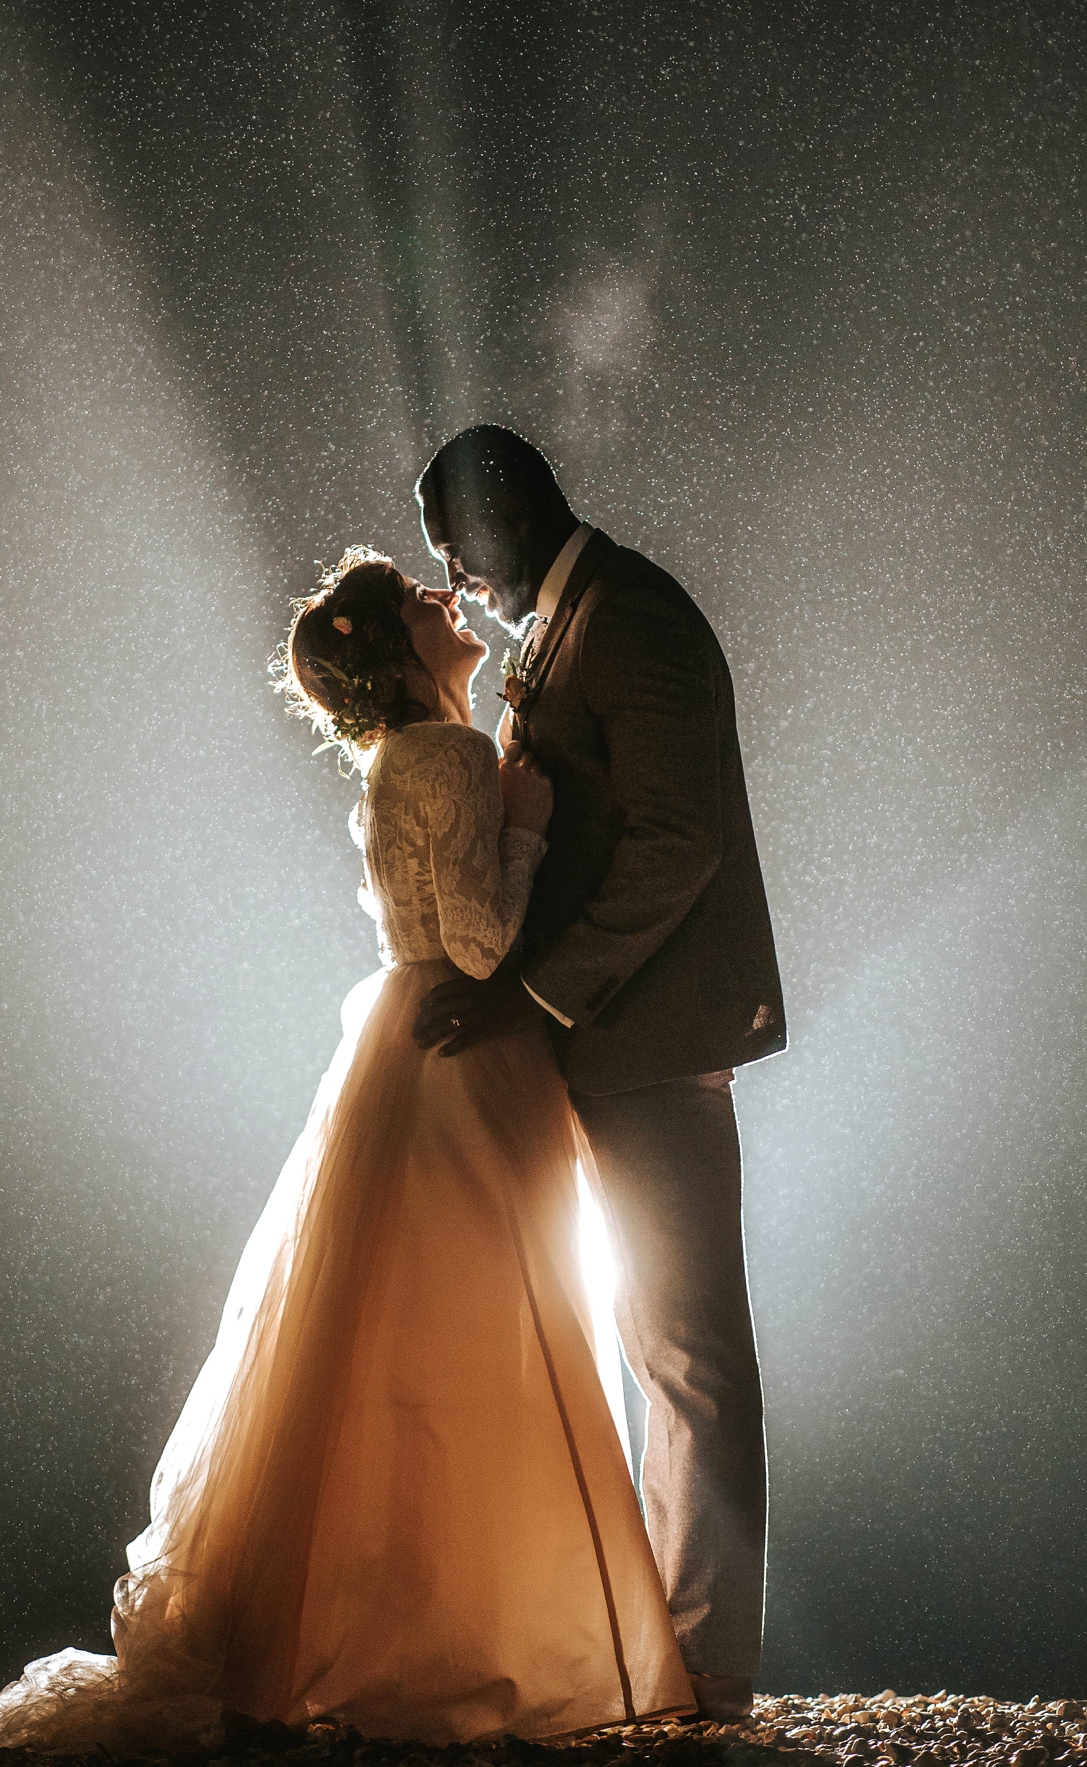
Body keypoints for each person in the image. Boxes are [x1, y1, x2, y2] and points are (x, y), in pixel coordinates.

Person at [0, 547, 695, 1756]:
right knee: (480, 1343)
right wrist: (527, 826)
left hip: (400, 1069)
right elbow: (476, 945)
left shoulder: (397, 762)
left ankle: (347, 1631)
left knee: (378, 1348)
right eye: (421, 602)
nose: (445, 598)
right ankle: (462, 1635)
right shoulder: (457, 758)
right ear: (406, 657)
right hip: (465, 1066)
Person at [412, 427, 787, 1723]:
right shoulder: (581, 620)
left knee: (690, 1353)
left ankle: (713, 1666)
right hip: (605, 1044)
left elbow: (681, 840)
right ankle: (668, 1648)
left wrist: (539, 990)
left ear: (505, 503)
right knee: (647, 1346)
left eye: (453, 541)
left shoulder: (631, 618)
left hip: (654, 1045)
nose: (453, 575)